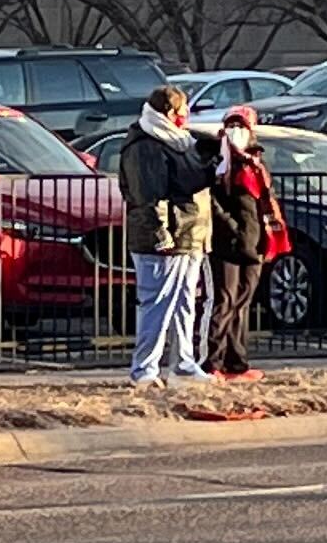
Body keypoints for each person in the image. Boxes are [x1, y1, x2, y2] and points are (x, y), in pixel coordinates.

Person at [116, 84, 216, 385]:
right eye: (184, 110)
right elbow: (148, 194)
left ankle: (184, 363)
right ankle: (144, 370)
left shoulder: (179, 141)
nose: (187, 115)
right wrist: (160, 232)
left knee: (185, 303)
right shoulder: (145, 146)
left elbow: (189, 180)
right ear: (171, 112)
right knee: (156, 303)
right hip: (164, 239)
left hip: (189, 234)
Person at [204, 106, 283, 379]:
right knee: (224, 300)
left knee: (242, 302)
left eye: (242, 125)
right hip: (229, 241)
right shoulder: (218, 160)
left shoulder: (255, 162)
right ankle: (213, 362)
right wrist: (233, 228)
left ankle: (237, 362)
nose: (236, 131)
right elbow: (212, 202)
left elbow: (264, 199)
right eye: (232, 125)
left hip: (256, 239)